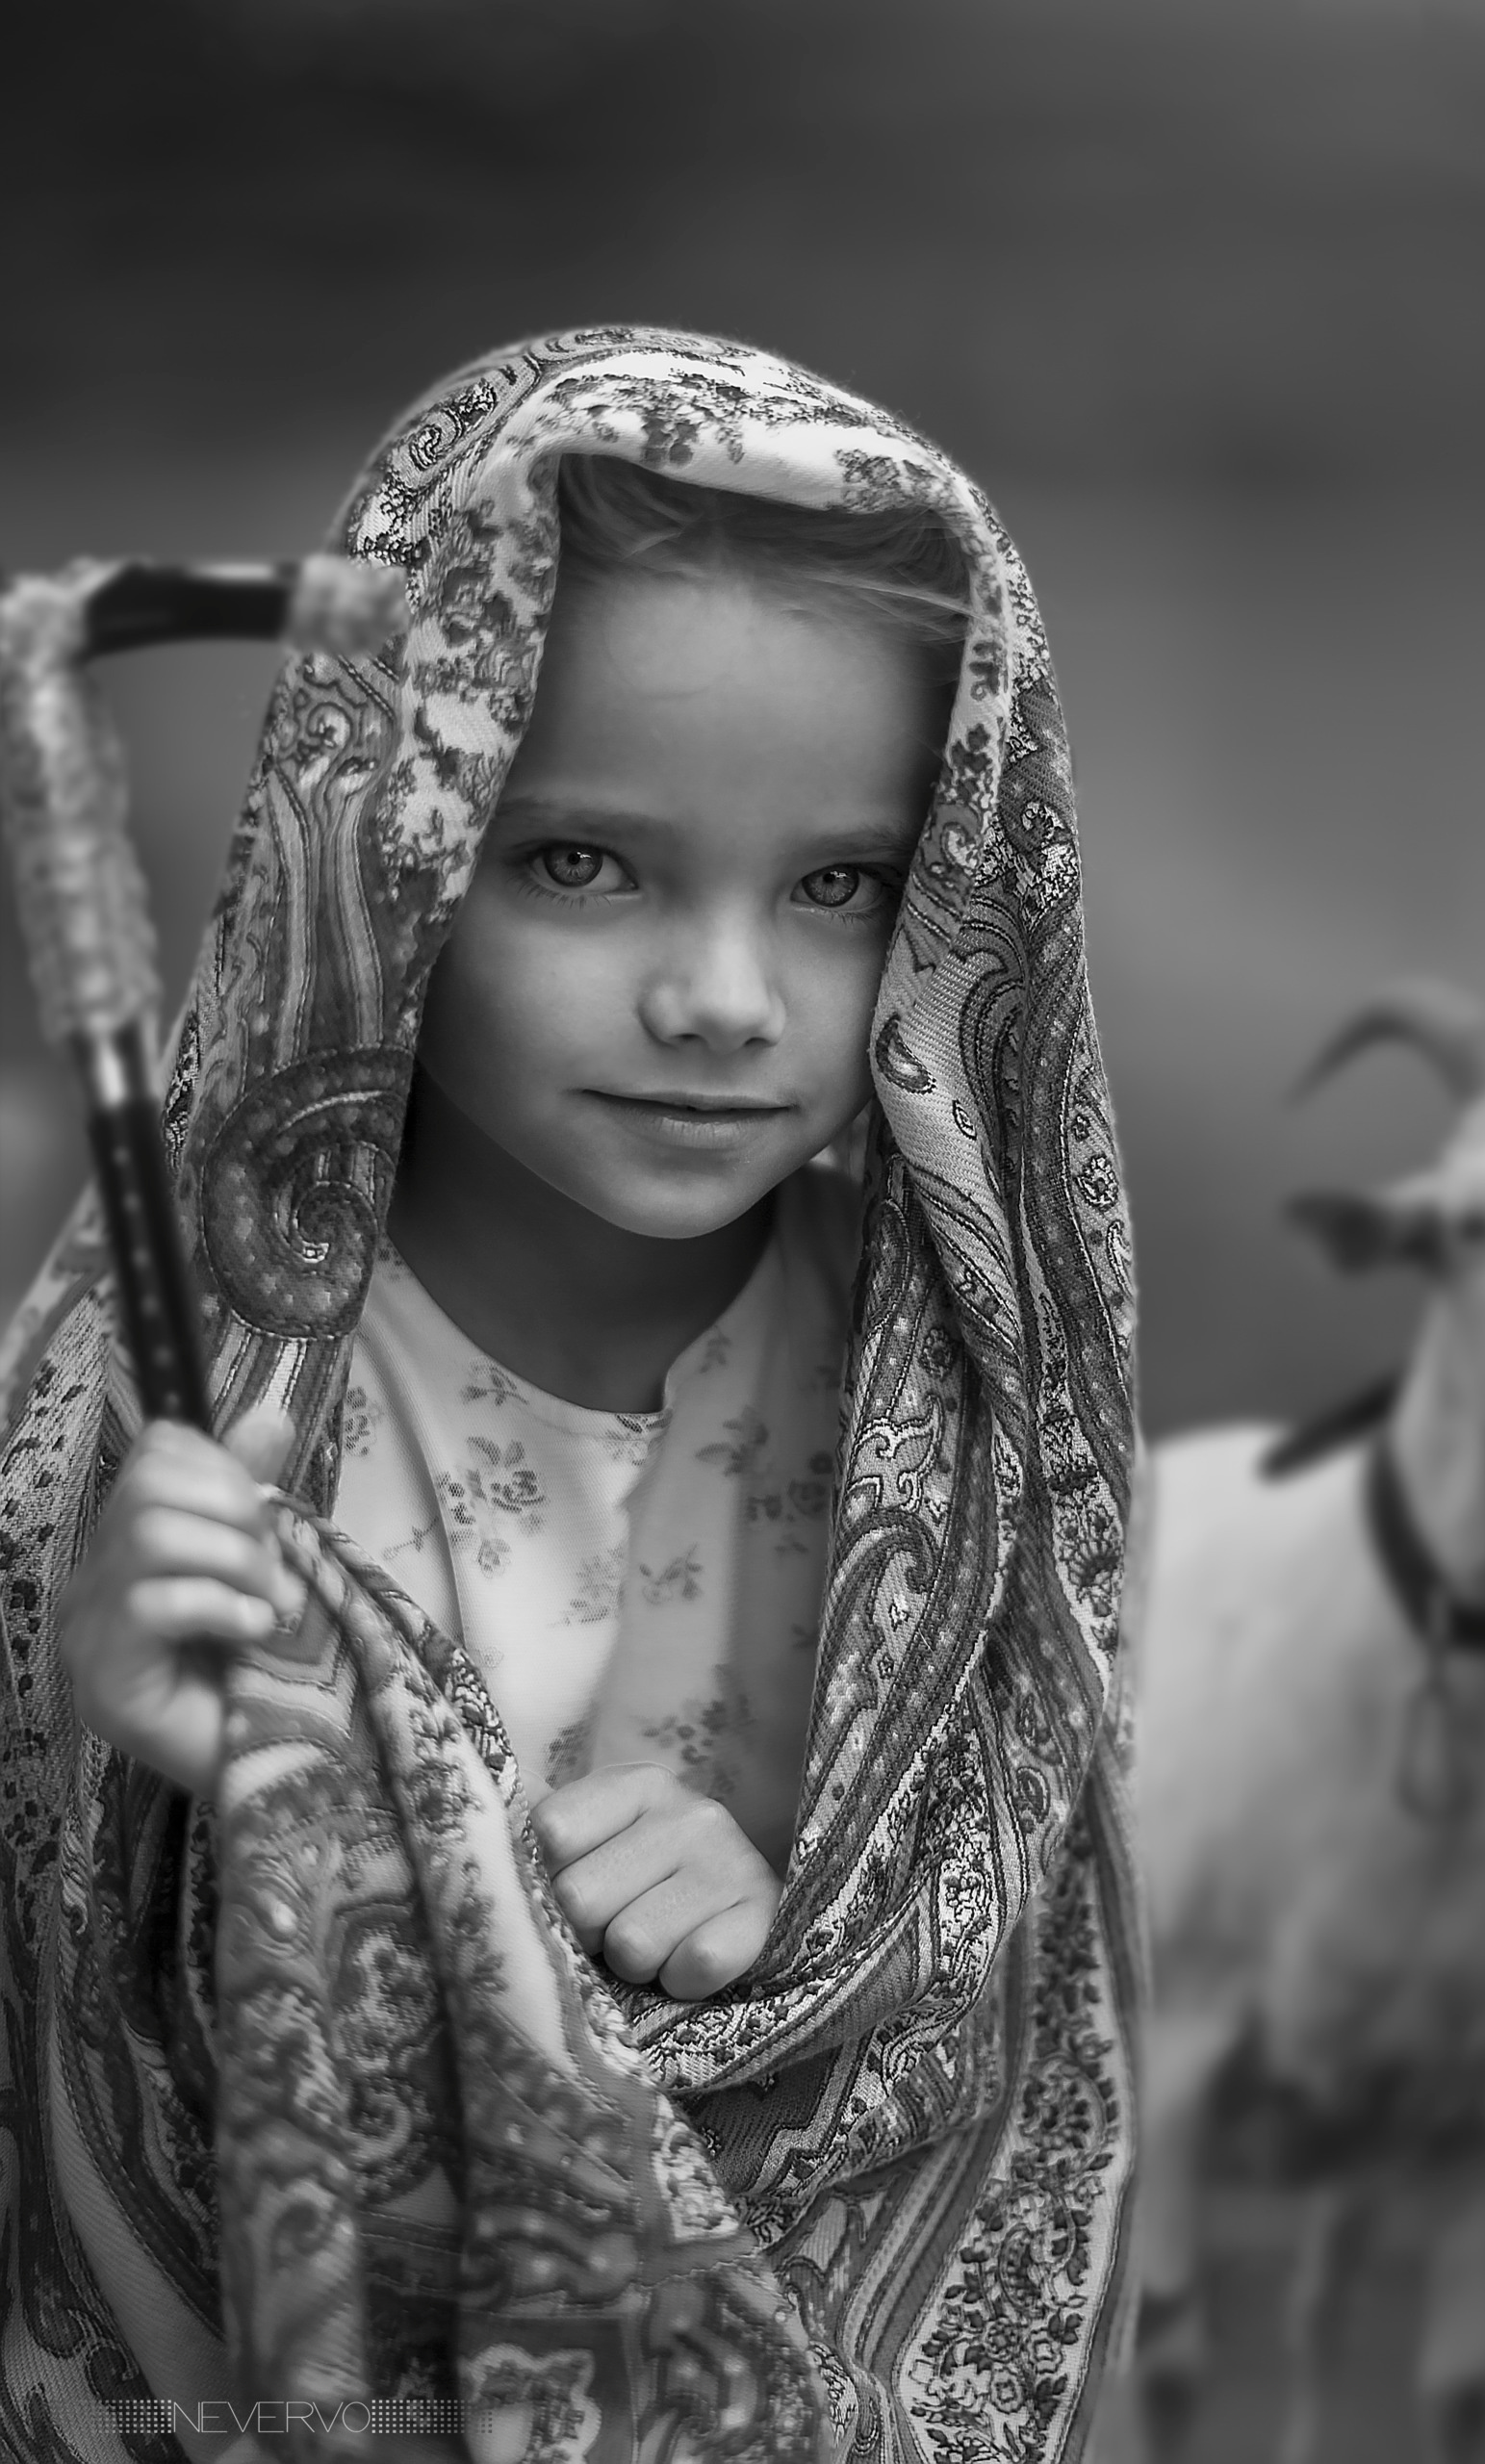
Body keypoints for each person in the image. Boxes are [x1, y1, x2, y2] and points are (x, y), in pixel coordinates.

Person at [0, 331, 1141, 2464]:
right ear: (400, 842)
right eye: (585, 863)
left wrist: (802, 1944)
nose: (722, 997)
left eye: (839, 885)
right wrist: (122, 1772)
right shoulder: (177, 1392)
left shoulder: (958, 1405)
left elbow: (1006, 2006)